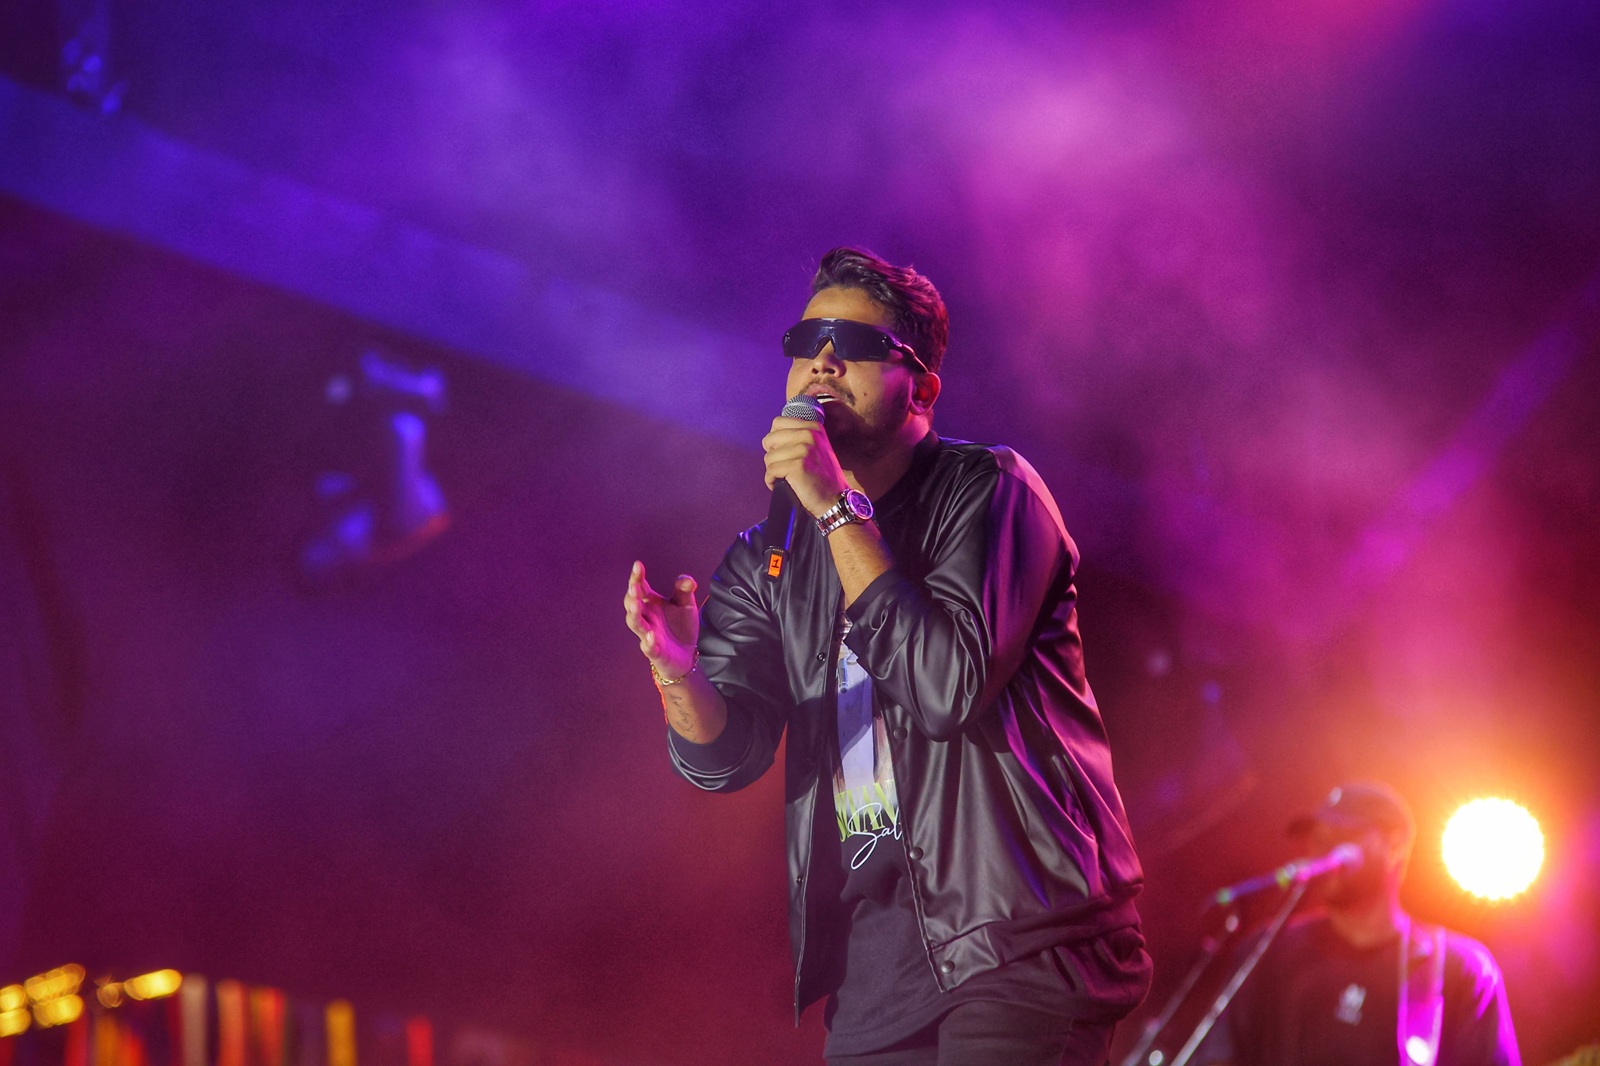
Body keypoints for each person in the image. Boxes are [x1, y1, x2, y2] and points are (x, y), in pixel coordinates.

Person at [622, 247, 1151, 1064]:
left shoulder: (990, 491)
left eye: (859, 345)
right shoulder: (768, 557)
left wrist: (836, 505)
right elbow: (725, 758)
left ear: (922, 390)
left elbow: (945, 688)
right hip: (875, 974)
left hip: (1017, 937)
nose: (825, 361)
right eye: (809, 340)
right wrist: (676, 669)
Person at [1201, 781, 1521, 1066]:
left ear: (1395, 847)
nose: (1323, 851)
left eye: (1342, 836)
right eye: (1317, 839)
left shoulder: (1459, 967)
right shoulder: (1266, 952)